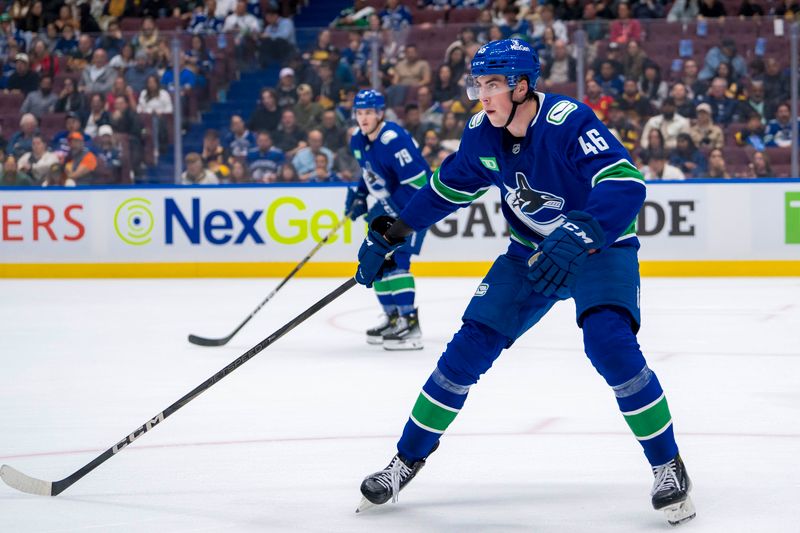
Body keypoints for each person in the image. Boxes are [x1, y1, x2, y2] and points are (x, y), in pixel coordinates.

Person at [352, 39, 695, 527]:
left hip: (599, 246)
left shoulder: (568, 122)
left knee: (609, 345)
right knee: (464, 353)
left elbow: (625, 183)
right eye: (479, 84)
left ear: (523, 85)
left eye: (493, 84)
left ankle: (668, 465)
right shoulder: (479, 136)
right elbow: (442, 190)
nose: (482, 95)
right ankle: (404, 461)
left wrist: (581, 232)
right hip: (529, 253)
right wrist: (393, 231)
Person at [345, 89, 431, 350]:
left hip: (413, 208)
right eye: (360, 113)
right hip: (387, 209)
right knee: (378, 262)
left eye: (369, 112)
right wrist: (360, 195)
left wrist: (384, 205)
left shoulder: (394, 139)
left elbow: (419, 182)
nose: (364, 118)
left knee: (398, 262)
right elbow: (368, 172)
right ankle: (393, 318)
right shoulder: (358, 140)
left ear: (380, 113)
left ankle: (410, 324)